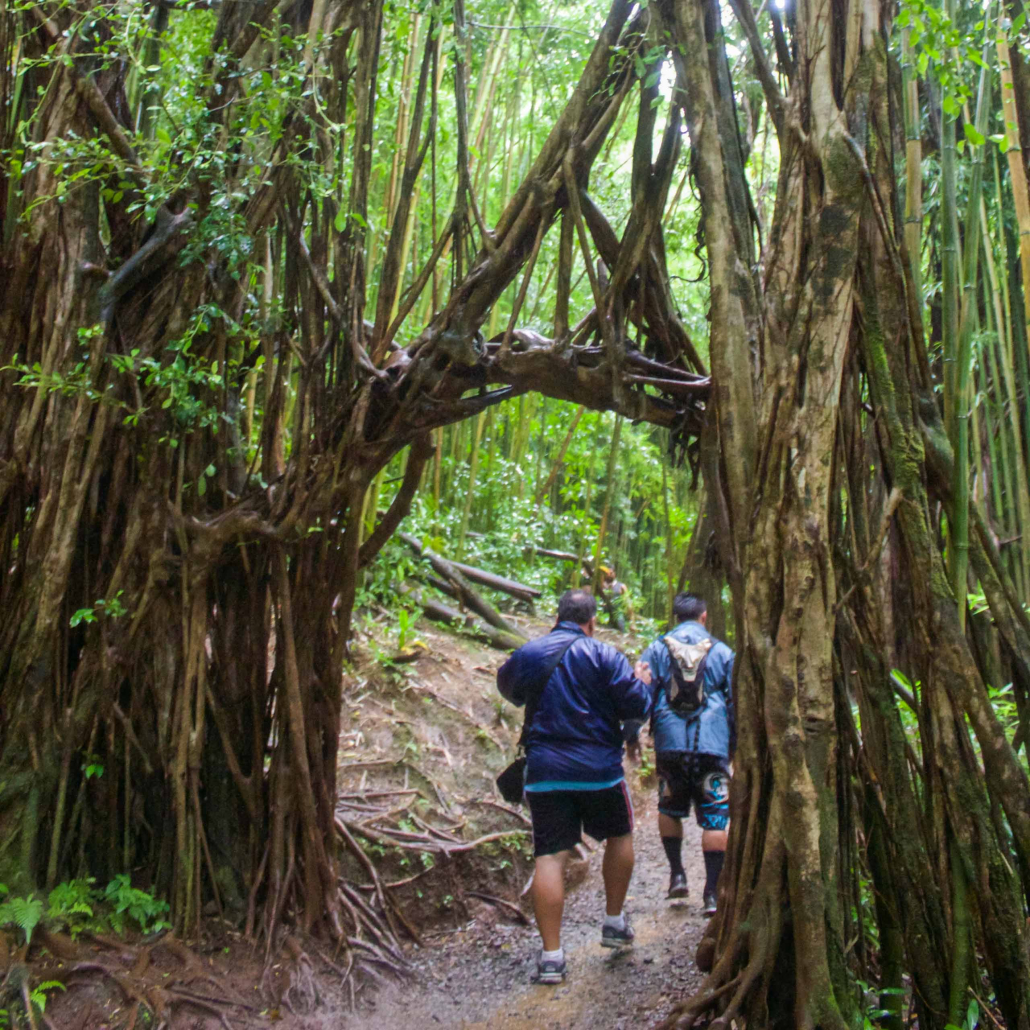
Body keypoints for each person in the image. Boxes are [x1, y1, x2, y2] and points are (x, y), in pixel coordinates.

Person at [497, 589, 652, 985]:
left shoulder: (531, 653)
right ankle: (614, 922)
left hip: (547, 771)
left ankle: (552, 958)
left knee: (550, 856)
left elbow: (509, 689)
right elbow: (636, 706)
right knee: (620, 834)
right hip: (600, 770)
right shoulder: (606, 655)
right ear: (592, 620)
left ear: (558, 615)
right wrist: (642, 682)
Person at [639, 592, 734, 917]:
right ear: (704, 616)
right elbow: (734, 702)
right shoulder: (722, 652)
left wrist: (631, 735)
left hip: (670, 746)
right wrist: (731, 745)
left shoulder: (656, 649)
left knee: (669, 806)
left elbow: (641, 693)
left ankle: (677, 874)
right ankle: (712, 892)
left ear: (676, 616)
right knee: (716, 814)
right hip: (712, 746)